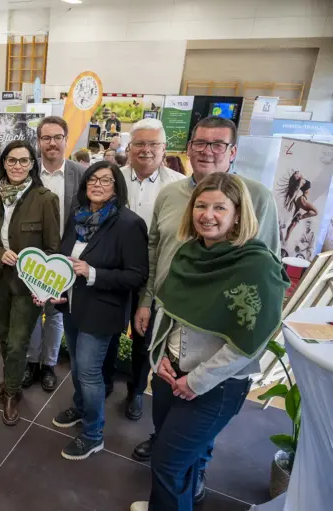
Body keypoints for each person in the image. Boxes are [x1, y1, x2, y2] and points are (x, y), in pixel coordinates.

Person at [130, 116, 280, 503]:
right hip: (172, 361)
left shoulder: (256, 238)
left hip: (214, 373)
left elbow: (253, 328)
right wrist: (159, 353)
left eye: (219, 208)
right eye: (200, 143)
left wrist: (196, 379)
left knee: (169, 462)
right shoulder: (189, 244)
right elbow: (165, 288)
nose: (207, 215)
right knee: (175, 455)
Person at [50, 161, 148, 461]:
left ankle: (93, 435)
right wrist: (53, 286)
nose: (97, 184)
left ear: (117, 187)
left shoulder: (128, 224)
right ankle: (80, 408)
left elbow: (136, 275)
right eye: (93, 179)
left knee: (90, 373)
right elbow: (64, 257)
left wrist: (93, 273)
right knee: (78, 367)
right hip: (72, 304)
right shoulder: (77, 216)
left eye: (106, 180)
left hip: (103, 310)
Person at [106, 118, 186, 421]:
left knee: (145, 337)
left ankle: (136, 391)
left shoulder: (178, 186)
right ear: (130, 147)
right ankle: (104, 382)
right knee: (109, 331)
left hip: (153, 277)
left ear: (164, 148)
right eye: (140, 143)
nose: (146, 150)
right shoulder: (113, 178)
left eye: (153, 144)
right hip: (114, 271)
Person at [0, 141, 60, 425]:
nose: (17, 166)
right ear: (3, 163)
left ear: (32, 165)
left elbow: (52, 249)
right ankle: (8, 380)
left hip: (28, 287)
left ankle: (12, 391)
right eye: (11, 161)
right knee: (3, 336)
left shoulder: (45, 198)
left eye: (23, 161)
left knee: (17, 343)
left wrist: (43, 286)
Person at [25, 116, 86, 392]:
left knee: (56, 313)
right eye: (46, 138)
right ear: (38, 142)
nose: (52, 143)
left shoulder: (80, 174)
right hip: (33, 257)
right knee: (32, 311)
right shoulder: (27, 171)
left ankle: (49, 364)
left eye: (57, 137)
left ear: (65, 139)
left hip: (65, 259)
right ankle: (30, 361)